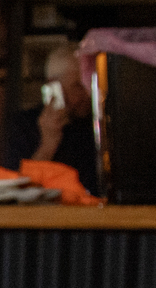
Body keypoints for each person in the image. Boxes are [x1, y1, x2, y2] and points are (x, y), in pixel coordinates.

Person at [7, 44, 100, 195]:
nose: (87, 93)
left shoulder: (96, 125)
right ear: (53, 86)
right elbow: (15, 189)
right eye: (78, 86)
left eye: (90, 84)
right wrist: (48, 145)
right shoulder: (22, 125)